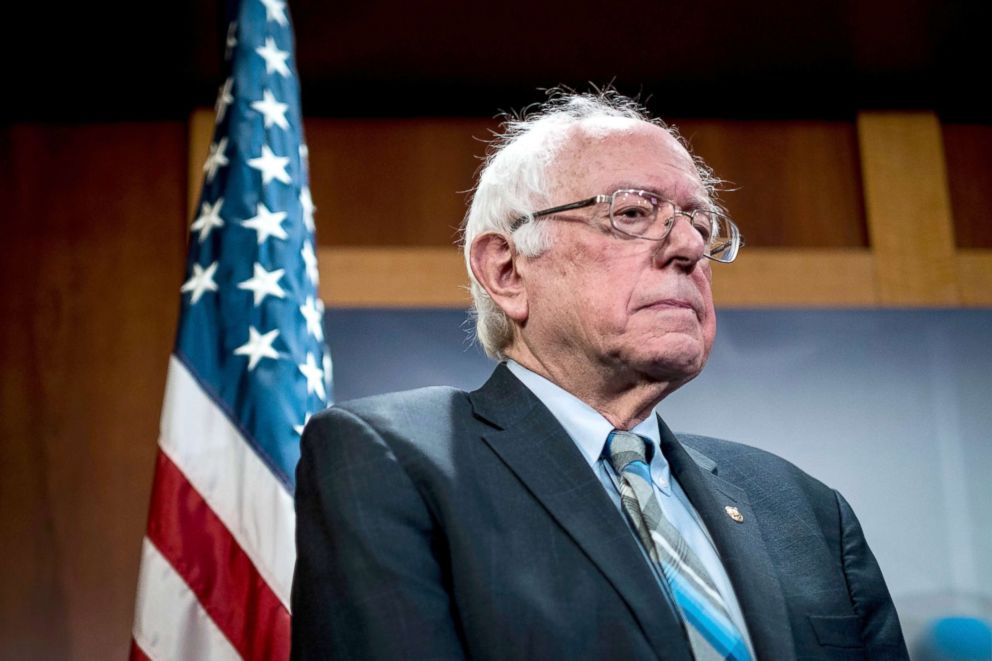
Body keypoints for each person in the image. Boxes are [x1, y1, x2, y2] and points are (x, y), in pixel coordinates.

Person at [291, 90, 909, 660]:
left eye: (699, 220)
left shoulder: (804, 508)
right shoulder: (395, 459)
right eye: (633, 213)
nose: (690, 246)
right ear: (507, 271)